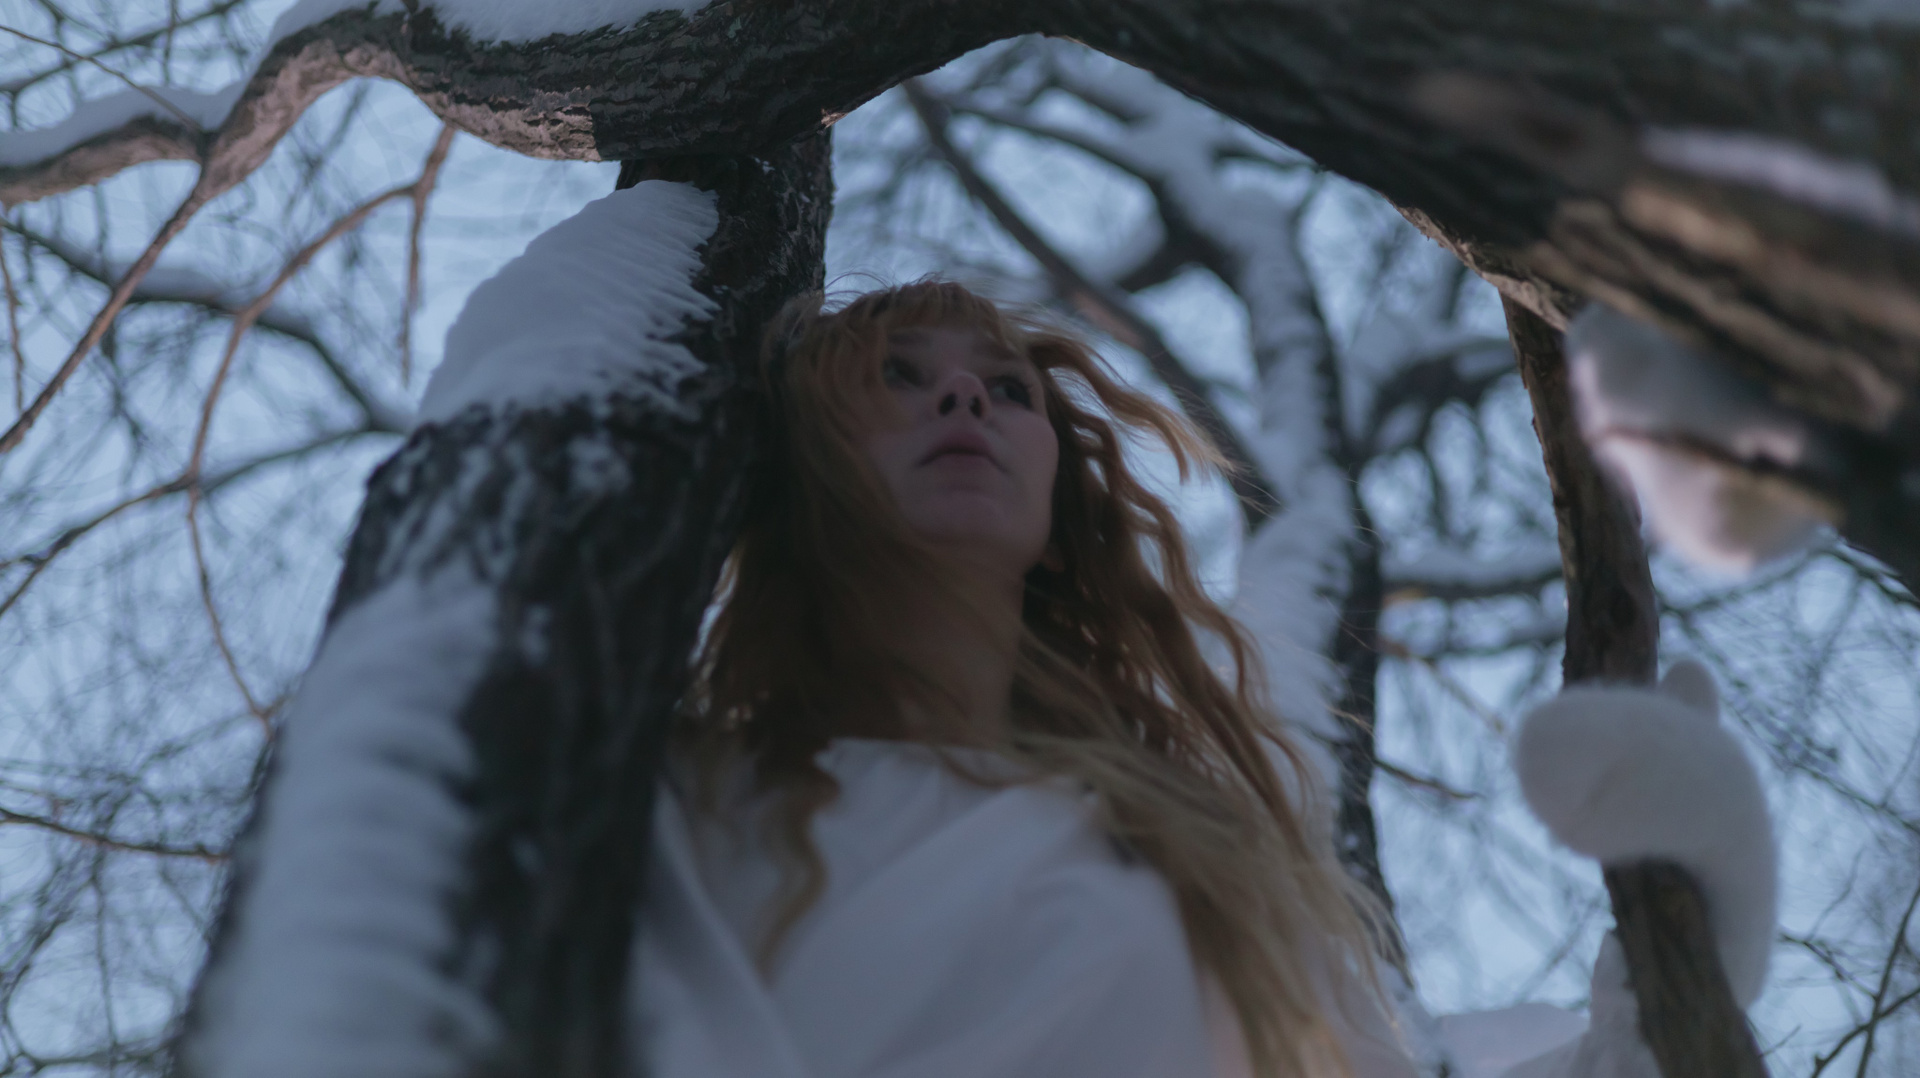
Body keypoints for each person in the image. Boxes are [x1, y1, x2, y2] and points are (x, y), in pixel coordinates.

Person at [632, 278, 1775, 1078]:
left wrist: (1675, 976)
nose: (966, 397)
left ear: (1060, 509)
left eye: (1009, 388)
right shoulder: (677, 793)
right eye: (898, 373)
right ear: (806, 462)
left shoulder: (1192, 859)